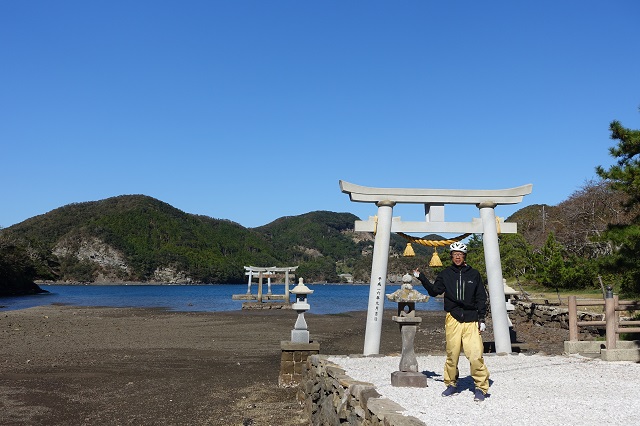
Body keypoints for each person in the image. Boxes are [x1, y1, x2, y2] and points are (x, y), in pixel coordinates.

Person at [413, 241, 490, 402]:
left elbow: (481, 298)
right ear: (451, 256)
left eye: (460, 254)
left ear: (464, 256)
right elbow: (435, 291)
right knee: (452, 354)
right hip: (453, 318)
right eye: (455, 254)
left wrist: (482, 318)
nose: (457, 257)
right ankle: (451, 384)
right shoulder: (445, 274)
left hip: (471, 319)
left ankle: (481, 387)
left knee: (475, 355)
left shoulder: (474, 274)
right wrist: (422, 278)